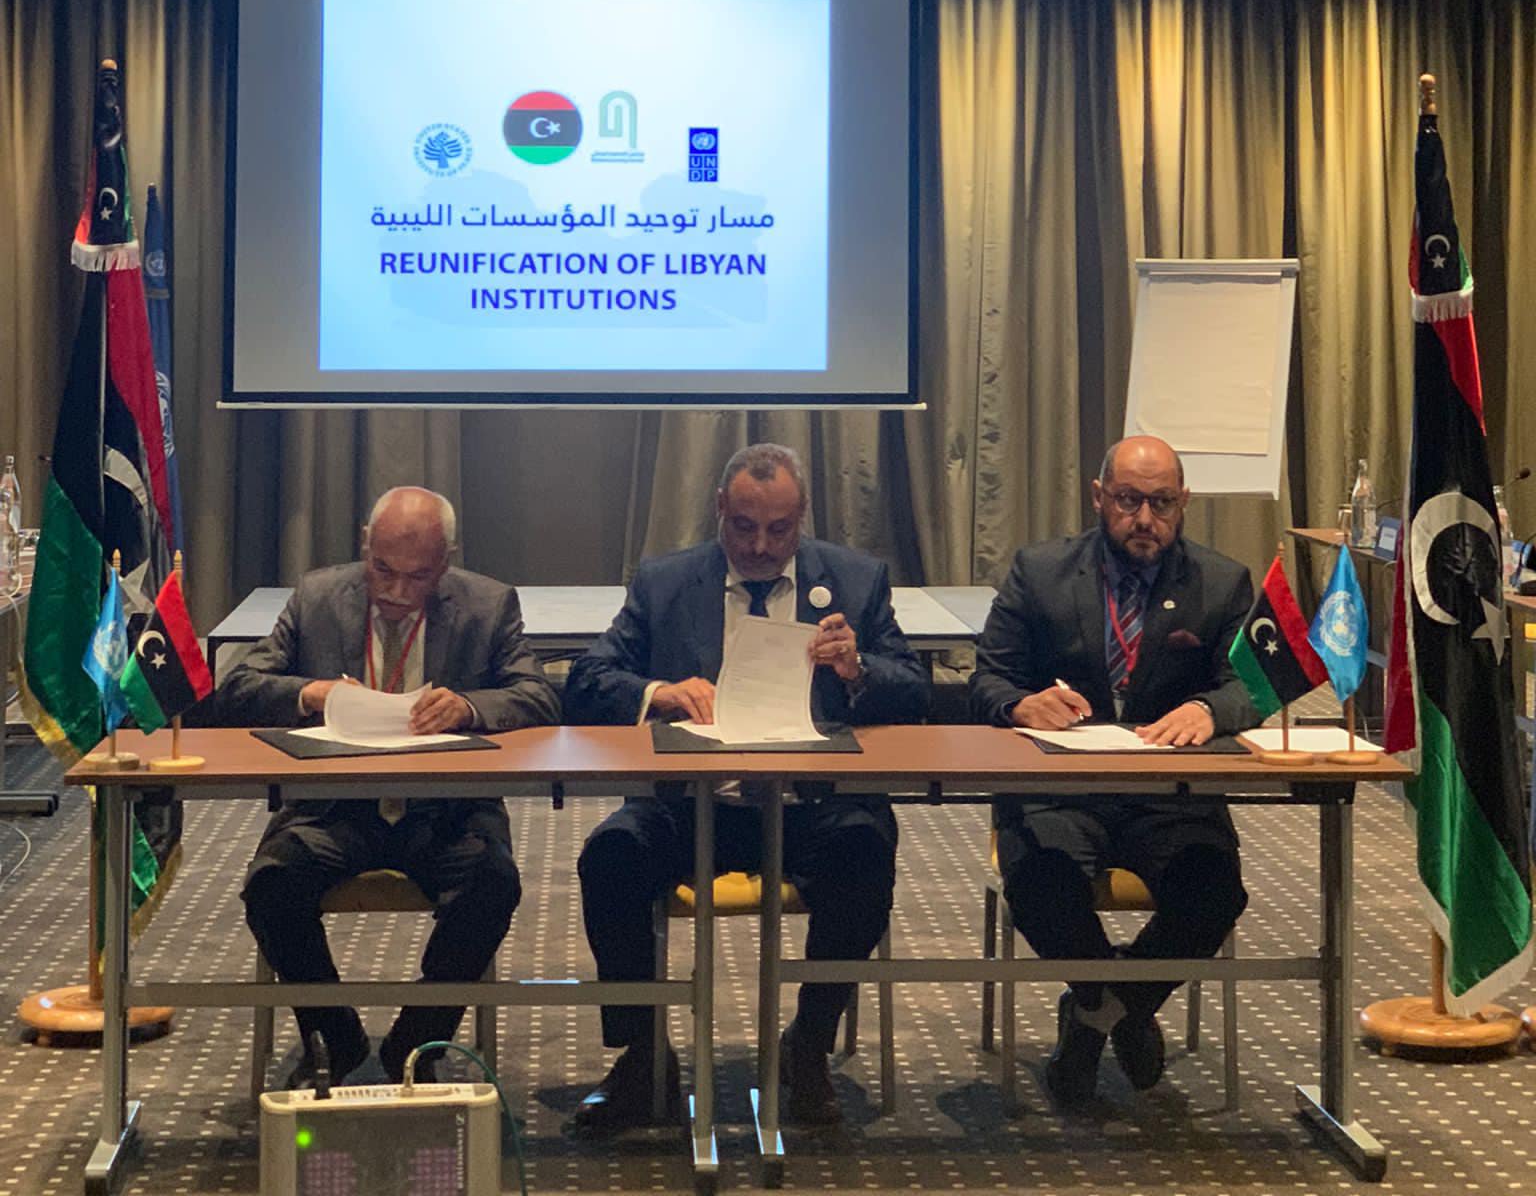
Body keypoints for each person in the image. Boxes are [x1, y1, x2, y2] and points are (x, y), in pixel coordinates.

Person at [564, 442, 930, 1134]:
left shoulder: (855, 579)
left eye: (779, 530)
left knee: (865, 849)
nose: (760, 547)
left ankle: (809, 1046)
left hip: (810, 805)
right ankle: (643, 1056)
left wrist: (857, 669)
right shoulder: (666, 582)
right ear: (719, 510)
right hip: (690, 802)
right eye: (744, 527)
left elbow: (916, 691)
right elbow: (587, 682)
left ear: (803, 518)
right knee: (610, 856)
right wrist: (658, 691)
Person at [222, 486, 559, 1085]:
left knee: (493, 885)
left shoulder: (488, 604)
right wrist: (309, 693)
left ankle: (416, 1046)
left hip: (446, 812)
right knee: (272, 886)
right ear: (364, 546)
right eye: (383, 570)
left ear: (446, 561)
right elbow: (239, 687)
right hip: (334, 810)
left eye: (419, 575)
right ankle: (340, 1041)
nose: (398, 591)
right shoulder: (318, 596)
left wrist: (469, 707)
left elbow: (539, 695)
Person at [969, 435, 1255, 1108]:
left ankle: (1101, 1011)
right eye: (1128, 501)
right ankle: (1113, 1005)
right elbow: (987, 678)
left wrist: (1210, 710)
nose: (1144, 519)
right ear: (1099, 497)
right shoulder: (1040, 571)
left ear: (1184, 503)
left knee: (1214, 891)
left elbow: (1250, 684)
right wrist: (1020, 704)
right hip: (1061, 792)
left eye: (1162, 503)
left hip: (1172, 795)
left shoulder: (1221, 581)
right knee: (1041, 882)